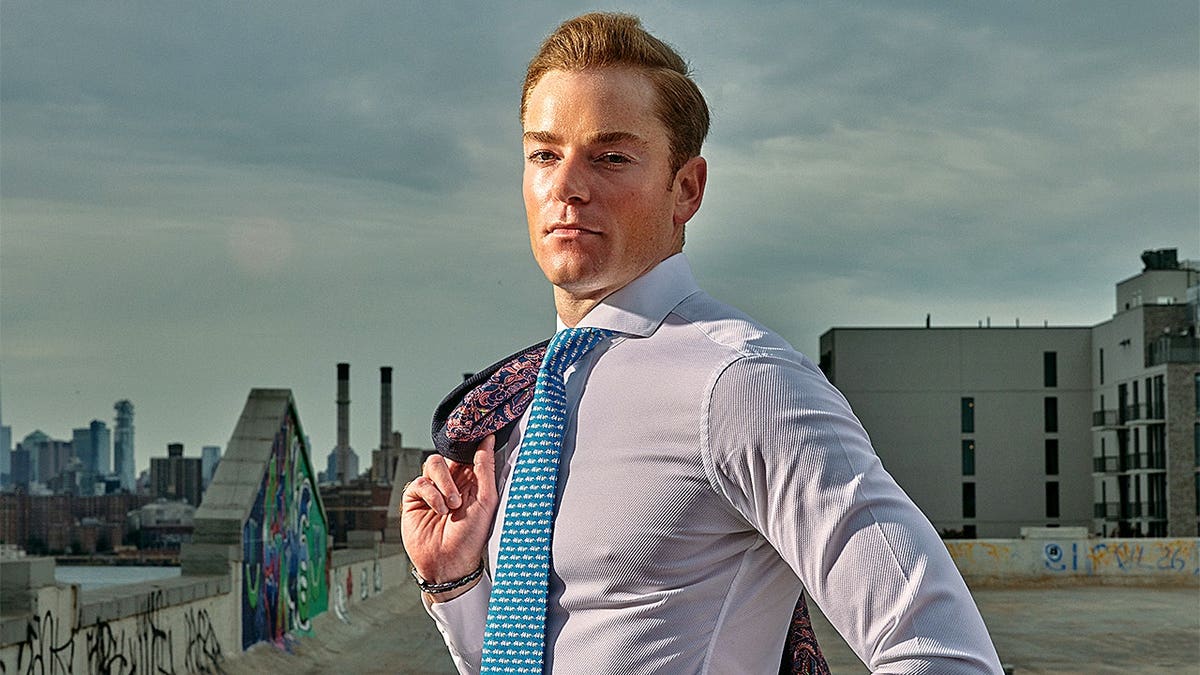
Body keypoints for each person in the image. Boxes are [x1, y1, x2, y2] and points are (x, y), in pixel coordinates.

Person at [402, 12, 1003, 674]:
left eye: (610, 157)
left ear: (685, 189)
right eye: (544, 153)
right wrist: (454, 584)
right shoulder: (531, 403)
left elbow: (941, 650)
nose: (567, 186)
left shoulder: (743, 382)